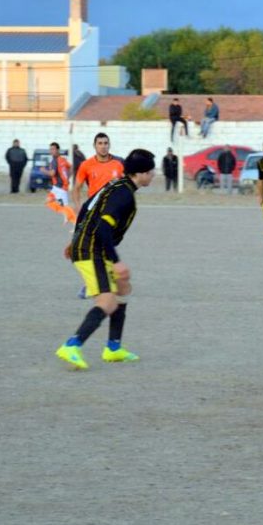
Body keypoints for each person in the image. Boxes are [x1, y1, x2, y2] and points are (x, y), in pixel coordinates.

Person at [55, 149, 156, 370]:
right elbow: (102, 229)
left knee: (123, 287)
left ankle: (113, 348)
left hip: (89, 245)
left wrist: (75, 238)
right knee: (107, 302)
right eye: (150, 171)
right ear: (140, 173)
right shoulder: (124, 194)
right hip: (93, 250)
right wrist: (116, 261)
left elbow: (87, 208)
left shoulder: (116, 185)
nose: (153, 175)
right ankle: (72, 345)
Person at [72, 133, 124, 211]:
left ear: (109, 145)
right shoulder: (86, 165)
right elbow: (76, 188)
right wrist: (78, 206)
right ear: (94, 146)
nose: (103, 146)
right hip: (94, 207)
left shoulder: (118, 164)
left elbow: (126, 186)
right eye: (100, 143)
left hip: (114, 208)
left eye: (105, 143)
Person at [41, 142, 76, 224]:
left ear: (57, 150)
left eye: (53, 149)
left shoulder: (54, 161)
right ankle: (66, 215)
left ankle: (76, 223)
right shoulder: (62, 159)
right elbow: (71, 167)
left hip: (60, 188)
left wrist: (43, 170)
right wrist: (68, 176)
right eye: (50, 149)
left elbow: (52, 173)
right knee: (48, 202)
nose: (51, 151)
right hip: (56, 187)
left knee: (65, 207)